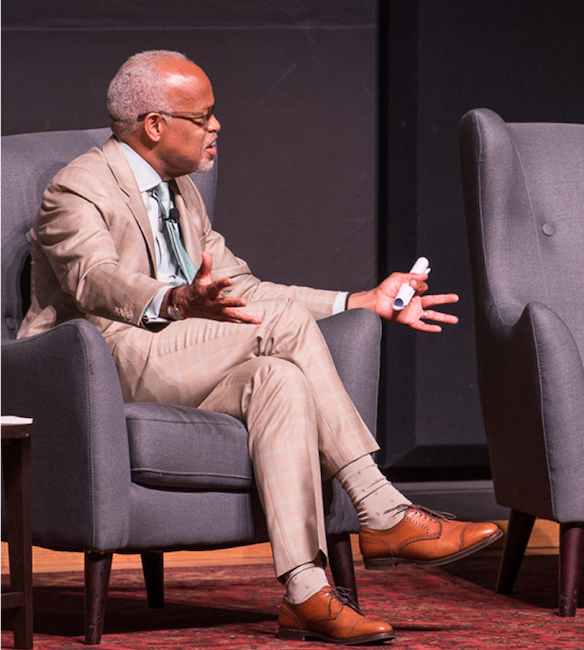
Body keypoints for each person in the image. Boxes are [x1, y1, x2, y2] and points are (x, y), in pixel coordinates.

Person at [18, 50, 501, 646]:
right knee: (287, 327)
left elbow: (244, 288)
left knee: (281, 379)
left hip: (179, 356)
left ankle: (305, 592)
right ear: (153, 124)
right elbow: (93, 280)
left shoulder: (182, 194)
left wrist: (358, 300)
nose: (216, 126)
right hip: (99, 360)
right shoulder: (79, 186)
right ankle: (381, 510)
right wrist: (174, 301)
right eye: (203, 116)